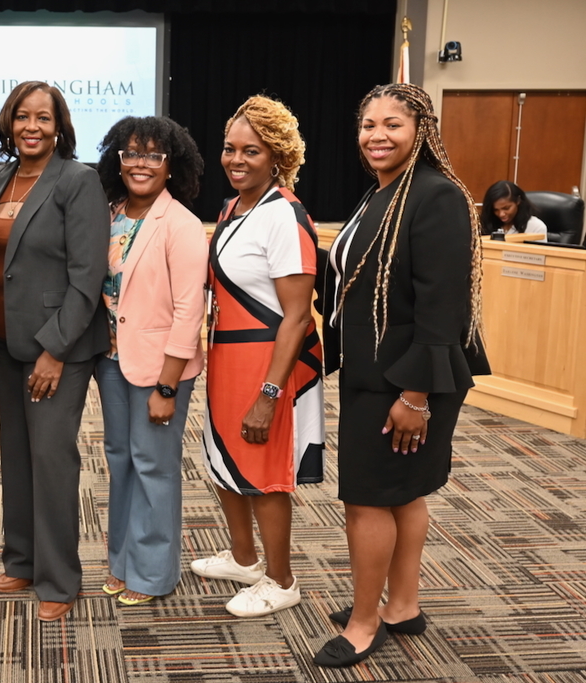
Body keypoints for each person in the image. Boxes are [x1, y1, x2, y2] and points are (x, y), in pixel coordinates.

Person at [314, 83, 490, 668]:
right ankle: (403, 605)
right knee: (403, 492)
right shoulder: (382, 194)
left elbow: (444, 307)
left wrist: (414, 396)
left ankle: (366, 624)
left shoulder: (435, 196)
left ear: (422, 131)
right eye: (368, 124)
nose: (377, 135)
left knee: (367, 500)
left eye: (393, 124)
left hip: (409, 378)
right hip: (381, 371)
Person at [191, 96, 325, 619]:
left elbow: (296, 317)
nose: (236, 159)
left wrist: (270, 394)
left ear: (277, 156)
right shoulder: (232, 208)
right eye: (229, 149)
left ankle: (281, 579)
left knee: (264, 469)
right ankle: (245, 560)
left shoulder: (284, 216)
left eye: (252, 150)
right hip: (227, 357)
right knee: (226, 460)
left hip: (267, 362)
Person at [0, 81, 110, 622]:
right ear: (9, 123)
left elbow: (87, 276)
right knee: (16, 452)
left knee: (52, 457)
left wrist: (54, 350)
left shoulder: (78, 182)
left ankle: (59, 579)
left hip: (56, 347)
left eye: (43, 117)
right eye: (22, 117)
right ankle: (24, 558)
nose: (32, 126)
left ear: (60, 126)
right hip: (4, 343)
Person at [93, 116, 206, 606]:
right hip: (112, 360)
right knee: (121, 462)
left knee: (154, 467)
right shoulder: (109, 212)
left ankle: (154, 572)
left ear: (171, 165)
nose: (141, 163)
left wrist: (167, 387)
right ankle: (122, 561)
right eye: (131, 153)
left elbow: (189, 311)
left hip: (162, 369)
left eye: (153, 155)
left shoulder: (178, 223)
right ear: (117, 159)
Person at [479, 180, 547, 236]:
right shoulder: (485, 224)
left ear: (518, 201)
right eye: (495, 210)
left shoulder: (535, 227)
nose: (501, 214)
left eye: (506, 208)